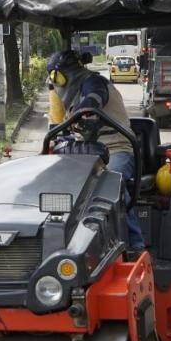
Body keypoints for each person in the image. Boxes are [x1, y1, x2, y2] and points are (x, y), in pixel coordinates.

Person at [47, 49, 145, 251]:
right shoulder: (74, 97)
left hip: (118, 148)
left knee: (111, 183)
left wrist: (86, 109)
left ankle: (135, 246)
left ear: (65, 74)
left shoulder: (94, 83)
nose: (56, 84)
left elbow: (93, 98)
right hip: (88, 153)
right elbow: (68, 127)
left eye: (56, 77)